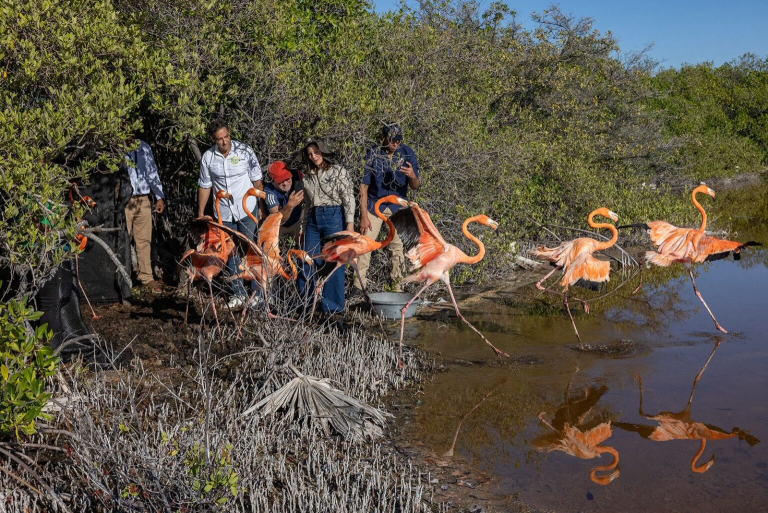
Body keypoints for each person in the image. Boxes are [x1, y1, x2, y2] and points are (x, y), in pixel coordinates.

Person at [197, 119, 263, 310]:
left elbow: (257, 180)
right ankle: (238, 293)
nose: (225, 141)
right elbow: (205, 185)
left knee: (250, 250)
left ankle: (257, 293)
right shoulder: (208, 158)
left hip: (246, 209)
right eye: (220, 139)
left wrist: (261, 206)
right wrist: (201, 214)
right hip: (224, 213)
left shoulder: (244, 151)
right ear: (213, 139)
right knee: (231, 252)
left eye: (227, 136)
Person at [355, 123, 420, 294]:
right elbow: (363, 186)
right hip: (374, 205)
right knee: (365, 244)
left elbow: (415, 186)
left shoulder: (407, 153)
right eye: (392, 139)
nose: (395, 143)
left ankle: (397, 287)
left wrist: (412, 176)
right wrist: (363, 215)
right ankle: (358, 286)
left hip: (398, 206)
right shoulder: (373, 153)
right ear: (383, 137)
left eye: (398, 140)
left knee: (397, 247)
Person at [297, 138, 356, 316]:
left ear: (323, 151)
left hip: (334, 216)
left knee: (335, 260)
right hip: (314, 219)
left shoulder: (338, 171)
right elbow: (306, 206)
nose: (314, 156)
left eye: (316, 151)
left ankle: (333, 308)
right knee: (306, 258)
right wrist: (303, 227)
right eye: (310, 154)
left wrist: (350, 224)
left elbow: (348, 198)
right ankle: (306, 305)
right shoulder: (307, 177)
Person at [125, 138, 166, 292]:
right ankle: (123, 278)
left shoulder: (144, 146)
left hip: (143, 198)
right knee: (122, 240)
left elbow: (151, 171)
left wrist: (159, 196)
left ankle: (146, 277)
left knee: (144, 240)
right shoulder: (113, 148)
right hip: (125, 200)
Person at [264, 160, 304, 240]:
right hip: (279, 226)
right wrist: (290, 205)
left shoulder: (297, 175)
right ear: (272, 182)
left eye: (287, 178)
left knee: (304, 245)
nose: (285, 183)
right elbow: (278, 220)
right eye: (280, 181)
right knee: (272, 248)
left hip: (298, 220)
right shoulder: (269, 191)